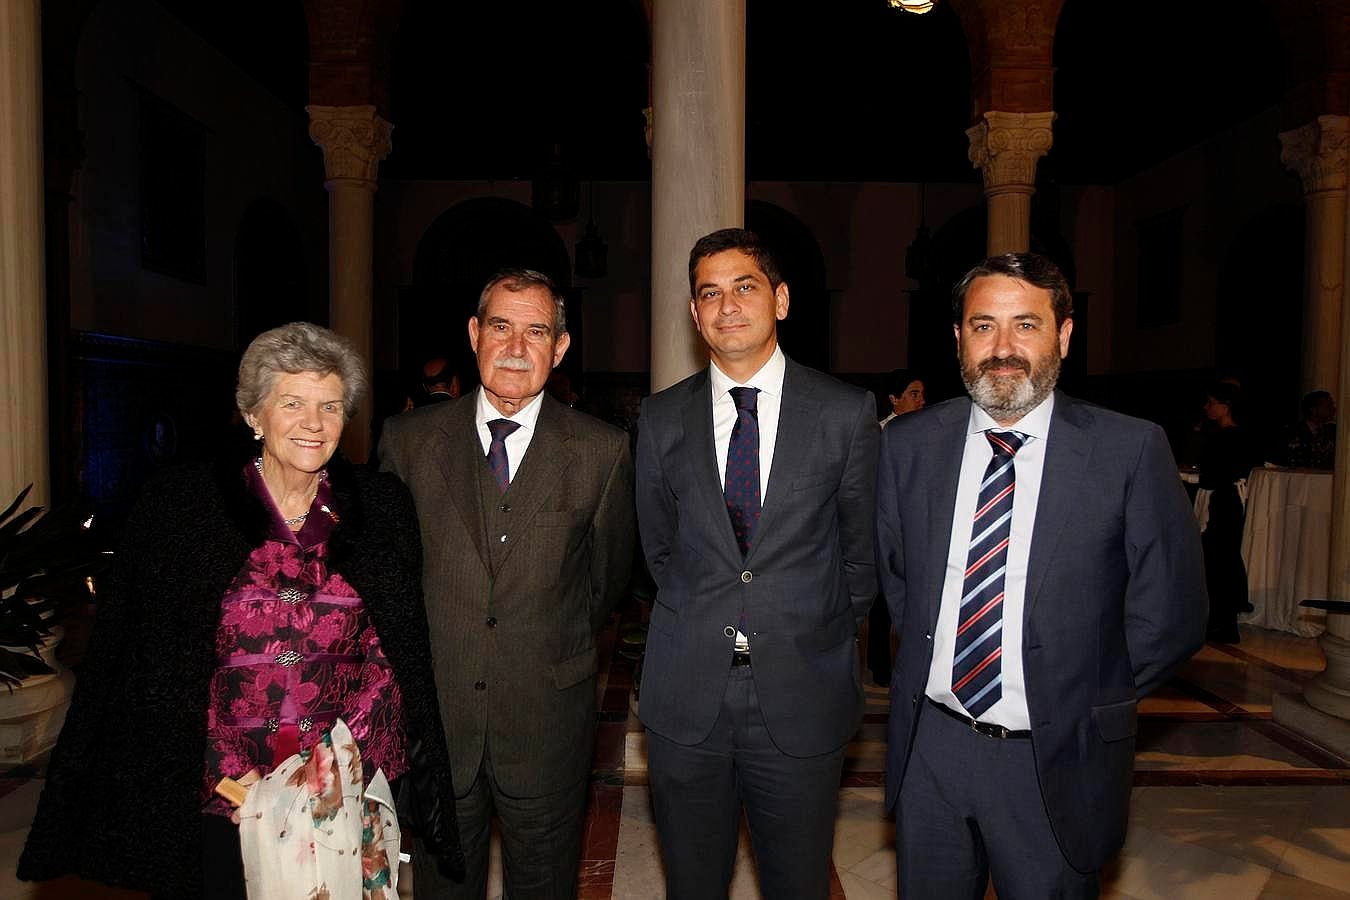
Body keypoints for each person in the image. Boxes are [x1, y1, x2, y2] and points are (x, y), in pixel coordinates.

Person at [19, 322, 462, 898]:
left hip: (339, 790)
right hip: (222, 790)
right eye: (292, 403)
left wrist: (334, 764)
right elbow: (159, 668)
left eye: (330, 406)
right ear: (254, 414)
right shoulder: (183, 510)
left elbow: (395, 652)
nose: (313, 422)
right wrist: (234, 779)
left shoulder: (381, 508)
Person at [876, 253, 1207, 897]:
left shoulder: (1128, 449)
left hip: (1056, 757)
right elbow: (898, 581)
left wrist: (1084, 689)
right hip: (930, 751)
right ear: (957, 339)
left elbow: (1172, 612)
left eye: (1025, 324)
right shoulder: (908, 445)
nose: (1002, 348)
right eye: (982, 326)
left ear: (1064, 334)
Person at [635, 228, 880, 898]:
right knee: (692, 882)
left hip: (802, 691)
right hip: (688, 697)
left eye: (744, 286)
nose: (727, 305)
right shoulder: (659, 420)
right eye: (709, 292)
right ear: (693, 313)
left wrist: (806, 625)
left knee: (797, 882)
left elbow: (861, 558)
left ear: (781, 299)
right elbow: (658, 550)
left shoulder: (844, 412)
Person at [380, 269, 636, 899]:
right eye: (501, 326)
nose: (516, 346)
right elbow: (387, 580)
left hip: (548, 721)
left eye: (536, 330)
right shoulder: (409, 442)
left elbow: (604, 584)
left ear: (561, 347)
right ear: (474, 334)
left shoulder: (603, 452)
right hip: (440, 723)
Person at [870, 368, 926, 685]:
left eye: (921, 394)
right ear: (894, 399)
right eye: (913, 394)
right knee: (882, 605)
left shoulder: (927, 436)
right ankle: (880, 668)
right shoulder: (877, 433)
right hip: (885, 529)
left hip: (915, 532)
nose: (921, 400)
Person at [1198, 381, 1258, 641]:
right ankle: (1223, 621)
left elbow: (1211, 476)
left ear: (1226, 406)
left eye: (1211, 402)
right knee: (1222, 559)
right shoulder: (1230, 435)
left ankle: (1222, 622)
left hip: (1226, 502)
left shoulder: (1229, 437)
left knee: (1219, 560)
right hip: (1229, 501)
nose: (1207, 407)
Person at [1280, 389, 1337, 469]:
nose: (1333, 409)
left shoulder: (1334, 431)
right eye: (1328, 406)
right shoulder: (1293, 432)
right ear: (1313, 409)